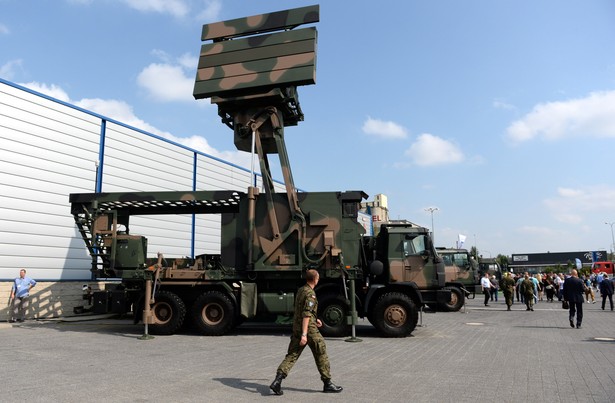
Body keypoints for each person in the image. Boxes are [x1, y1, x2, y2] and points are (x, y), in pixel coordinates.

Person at [270, 269, 342, 395]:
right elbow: (306, 314)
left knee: (292, 355)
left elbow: (302, 311)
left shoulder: (301, 290)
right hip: (308, 330)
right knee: (321, 353)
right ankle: (328, 383)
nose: (318, 279)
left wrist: (316, 320)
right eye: (318, 277)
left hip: (298, 327)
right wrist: (304, 334)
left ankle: (277, 381)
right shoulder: (311, 294)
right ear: (315, 279)